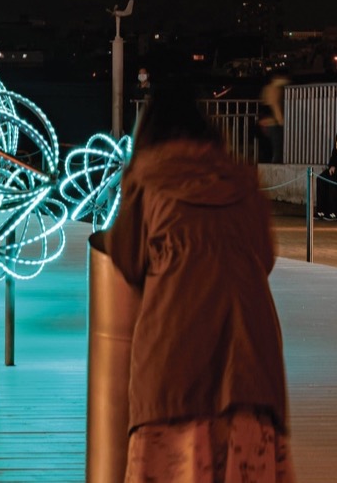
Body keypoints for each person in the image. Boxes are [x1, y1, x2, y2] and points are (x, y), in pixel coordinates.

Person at [105, 86, 293, 482]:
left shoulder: (145, 181)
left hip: (173, 355)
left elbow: (128, 257)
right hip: (250, 358)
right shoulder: (242, 181)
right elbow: (265, 256)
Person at [258, 73, 290, 163]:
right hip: (273, 122)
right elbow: (275, 106)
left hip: (265, 122)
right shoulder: (275, 90)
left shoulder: (266, 88)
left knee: (268, 148)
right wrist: (281, 120)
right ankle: (274, 166)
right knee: (277, 148)